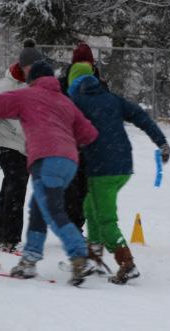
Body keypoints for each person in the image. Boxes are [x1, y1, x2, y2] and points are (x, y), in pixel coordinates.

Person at [0, 60, 99, 286]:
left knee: (53, 211)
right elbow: (89, 133)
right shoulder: (64, 101)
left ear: (33, 80)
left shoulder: (28, 95)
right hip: (69, 162)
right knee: (39, 209)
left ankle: (80, 257)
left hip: (46, 160)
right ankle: (30, 260)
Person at [69, 63, 170, 284]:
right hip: (123, 165)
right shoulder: (112, 99)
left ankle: (127, 264)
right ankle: (94, 252)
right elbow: (142, 117)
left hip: (101, 169)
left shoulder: (76, 102)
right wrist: (161, 142)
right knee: (90, 206)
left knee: (105, 218)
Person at [0, 38, 44, 252]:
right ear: (22, 67)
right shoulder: (6, 88)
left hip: (24, 145)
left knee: (10, 185)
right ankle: (11, 238)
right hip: (5, 142)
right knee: (17, 184)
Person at [58, 41, 108, 233]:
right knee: (80, 186)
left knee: (75, 185)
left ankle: (74, 224)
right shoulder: (98, 85)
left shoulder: (63, 83)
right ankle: (75, 224)